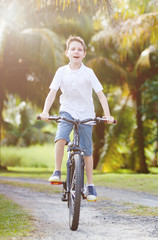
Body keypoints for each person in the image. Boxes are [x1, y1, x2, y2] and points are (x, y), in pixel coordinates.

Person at [39, 35, 114, 202]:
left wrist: (107, 115)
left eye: (79, 49)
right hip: (67, 111)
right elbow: (52, 93)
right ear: (67, 53)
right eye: (72, 49)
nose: (76, 52)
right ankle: (57, 171)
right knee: (61, 138)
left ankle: (90, 184)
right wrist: (45, 111)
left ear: (84, 54)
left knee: (87, 150)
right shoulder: (61, 72)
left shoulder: (89, 73)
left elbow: (100, 95)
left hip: (86, 114)